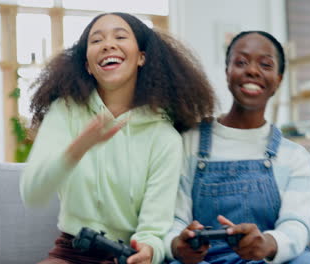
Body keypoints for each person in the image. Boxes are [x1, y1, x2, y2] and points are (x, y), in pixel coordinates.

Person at [20, 12, 215, 264]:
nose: (108, 45)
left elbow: (153, 229)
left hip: (127, 255)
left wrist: (149, 251)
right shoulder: (65, 111)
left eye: (120, 36)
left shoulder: (164, 137)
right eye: (96, 40)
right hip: (72, 251)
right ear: (88, 65)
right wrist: (77, 149)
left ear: (142, 57)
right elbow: (32, 194)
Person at [164, 31, 310, 264]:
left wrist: (268, 243)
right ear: (227, 71)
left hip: (266, 258)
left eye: (265, 65)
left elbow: (295, 224)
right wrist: (179, 243)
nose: (252, 70)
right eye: (241, 62)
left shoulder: (295, 157)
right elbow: (174, 219)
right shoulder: (189, 142)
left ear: (278, 80)